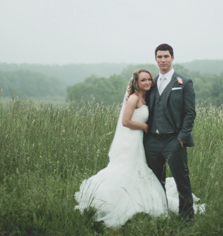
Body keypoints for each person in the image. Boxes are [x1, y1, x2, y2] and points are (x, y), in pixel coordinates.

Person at [74, 69, 168, 228]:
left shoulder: (146, 98)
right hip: (130, 139)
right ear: (136, 82)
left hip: (139, 140)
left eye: (149, 80)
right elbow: (125, 122)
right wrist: (145, 126)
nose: (147, 83)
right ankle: (111, 200)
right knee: (126, 168)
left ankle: (138, 199)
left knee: (137, 170)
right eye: (143, 80)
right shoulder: (133, 98)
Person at [145, 43, 197, 223]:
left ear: (172, 58)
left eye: (166, 56)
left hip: (174, 140)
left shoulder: (184, 82)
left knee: (181, 181)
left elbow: (190, 113)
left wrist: (181, 139)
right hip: (152, 142)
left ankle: (187, 220)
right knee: (156, 183)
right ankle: (160, 216)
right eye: (159, 57)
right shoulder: (149, 83)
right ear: (155, 59)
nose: (163, 60)